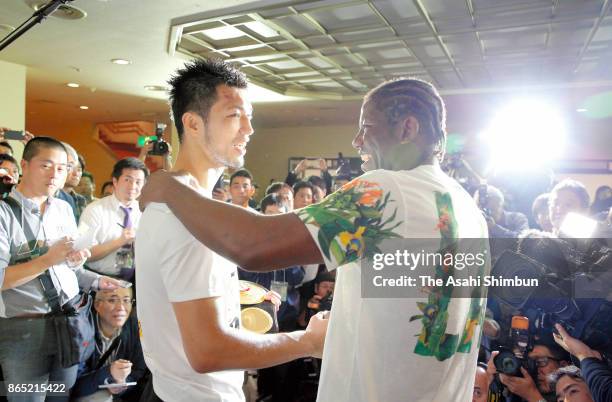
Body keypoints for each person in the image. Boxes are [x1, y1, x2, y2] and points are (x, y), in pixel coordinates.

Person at [140, 76, 490, 401]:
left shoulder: (388, 189)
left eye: (366, 128)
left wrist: (168, 187)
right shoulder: (466, 207)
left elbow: (253, 246)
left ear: (407, 128)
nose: (357, 142)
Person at [135, 59, 326, 402]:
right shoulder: (189, 218)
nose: (249, 129)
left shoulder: (183, 202)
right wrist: (308, 341)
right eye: (235, 115)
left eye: (249, 115)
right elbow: (209, 351)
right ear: (193, 123)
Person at [0, 137, 120, 402]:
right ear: (25, 165)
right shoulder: (4, 213)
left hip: (67, 322)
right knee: (27, 397)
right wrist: (48, 259)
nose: (55, 174)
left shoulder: (64, 209)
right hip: (23, 329)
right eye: (46, 165)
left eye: (63, 168)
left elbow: (67, 269)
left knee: (60, 395)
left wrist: (95, 278)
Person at [71, 287, 147, 402]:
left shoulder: (135, 328)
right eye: (112, 300)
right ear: (97, 305)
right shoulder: (80, 332)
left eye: (126, 300)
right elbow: (72, 387)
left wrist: (122, 383)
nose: (121, 307)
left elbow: (138, 371)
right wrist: (108, 373)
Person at [78, 158, 147, 279]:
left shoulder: (145, 211)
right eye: (127, 180)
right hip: (100, 279)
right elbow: (84, 254)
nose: (133, 186)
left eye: (138, 182)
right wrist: (120, 241)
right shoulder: (94, 210)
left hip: (136, 278)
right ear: (115, 181)